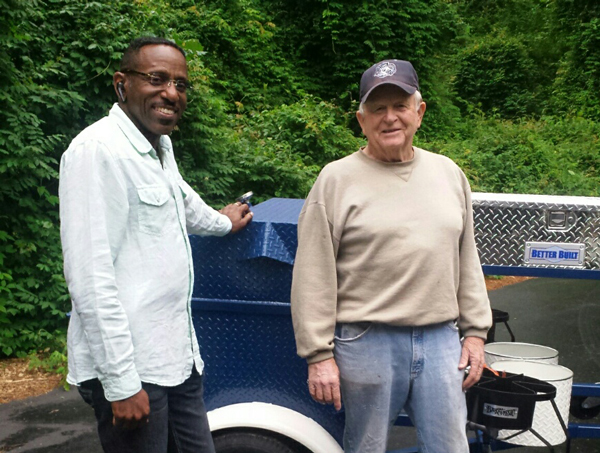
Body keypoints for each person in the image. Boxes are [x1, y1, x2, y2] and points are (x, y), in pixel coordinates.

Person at [59, 36, 252, 453]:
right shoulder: (97, 151)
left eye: (181, 84)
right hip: (132, 369)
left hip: (176, 357)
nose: (171, 92)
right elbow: (89, 279)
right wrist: (121, 383)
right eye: (156, 78)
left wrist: (223, 222)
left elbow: (181, 202)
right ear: (121, 84)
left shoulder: (158, 145)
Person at [291, 59, 492, 453]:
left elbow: (467, 259)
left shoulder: (448, 173)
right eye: (377, 108)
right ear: (361, 120)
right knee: (366, 447)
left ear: (419, 112)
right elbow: (312, 273)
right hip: (367, 340)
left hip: (441, 341)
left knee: (450, 447)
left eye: (400, 106)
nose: (390, 118)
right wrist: (318, 355)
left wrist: (475, 333)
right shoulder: (335, 179)